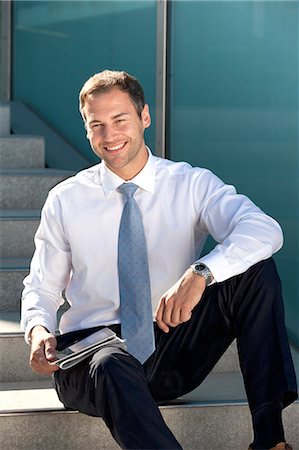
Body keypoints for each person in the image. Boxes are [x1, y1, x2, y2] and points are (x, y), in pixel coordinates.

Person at [21, 69, 297, 450]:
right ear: (86, 130)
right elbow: (42, 285)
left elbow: (264, 230)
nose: (109, 135)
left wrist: (201, 273)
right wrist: (37, 331)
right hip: (89, 359)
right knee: (110, 361)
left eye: (120, 120)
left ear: (144, 117)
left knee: (256, 271)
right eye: (96, 124)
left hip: (167, 343)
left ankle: (270, 440)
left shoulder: (191, 183)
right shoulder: (66, 199)